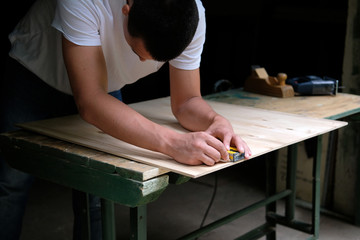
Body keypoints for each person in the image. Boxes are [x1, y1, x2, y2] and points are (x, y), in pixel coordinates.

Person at [0, 0, 252, 239]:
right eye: (136, 50)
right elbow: (90, 101)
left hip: (103, 86)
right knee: (10, 184)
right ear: (126, 10)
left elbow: (186, 101)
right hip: (37, 72)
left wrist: (214, 120)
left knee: (99, 190)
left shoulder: (189, 13)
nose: (142, 62)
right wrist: (174, 144)